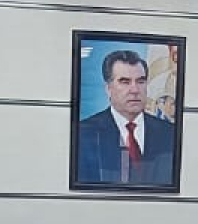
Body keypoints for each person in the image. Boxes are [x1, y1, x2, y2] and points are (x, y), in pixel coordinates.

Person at [75, 49, 177, 186]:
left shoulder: (170, 133)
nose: (135, 90)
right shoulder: (83, 134)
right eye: (125, 82)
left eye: (140, 81)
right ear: (108, 89)